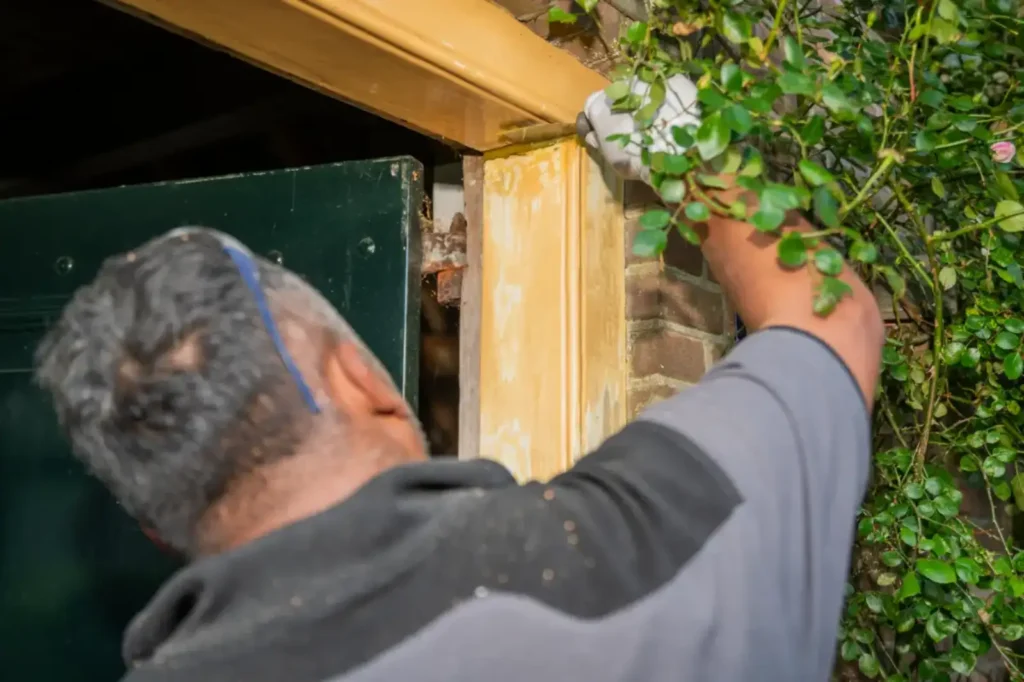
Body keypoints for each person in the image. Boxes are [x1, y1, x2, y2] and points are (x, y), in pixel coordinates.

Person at [35, 74, 884, 682]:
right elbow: (831, 321)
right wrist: (691, 157)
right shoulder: (630, 554)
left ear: (155, 529)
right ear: (359, 377)